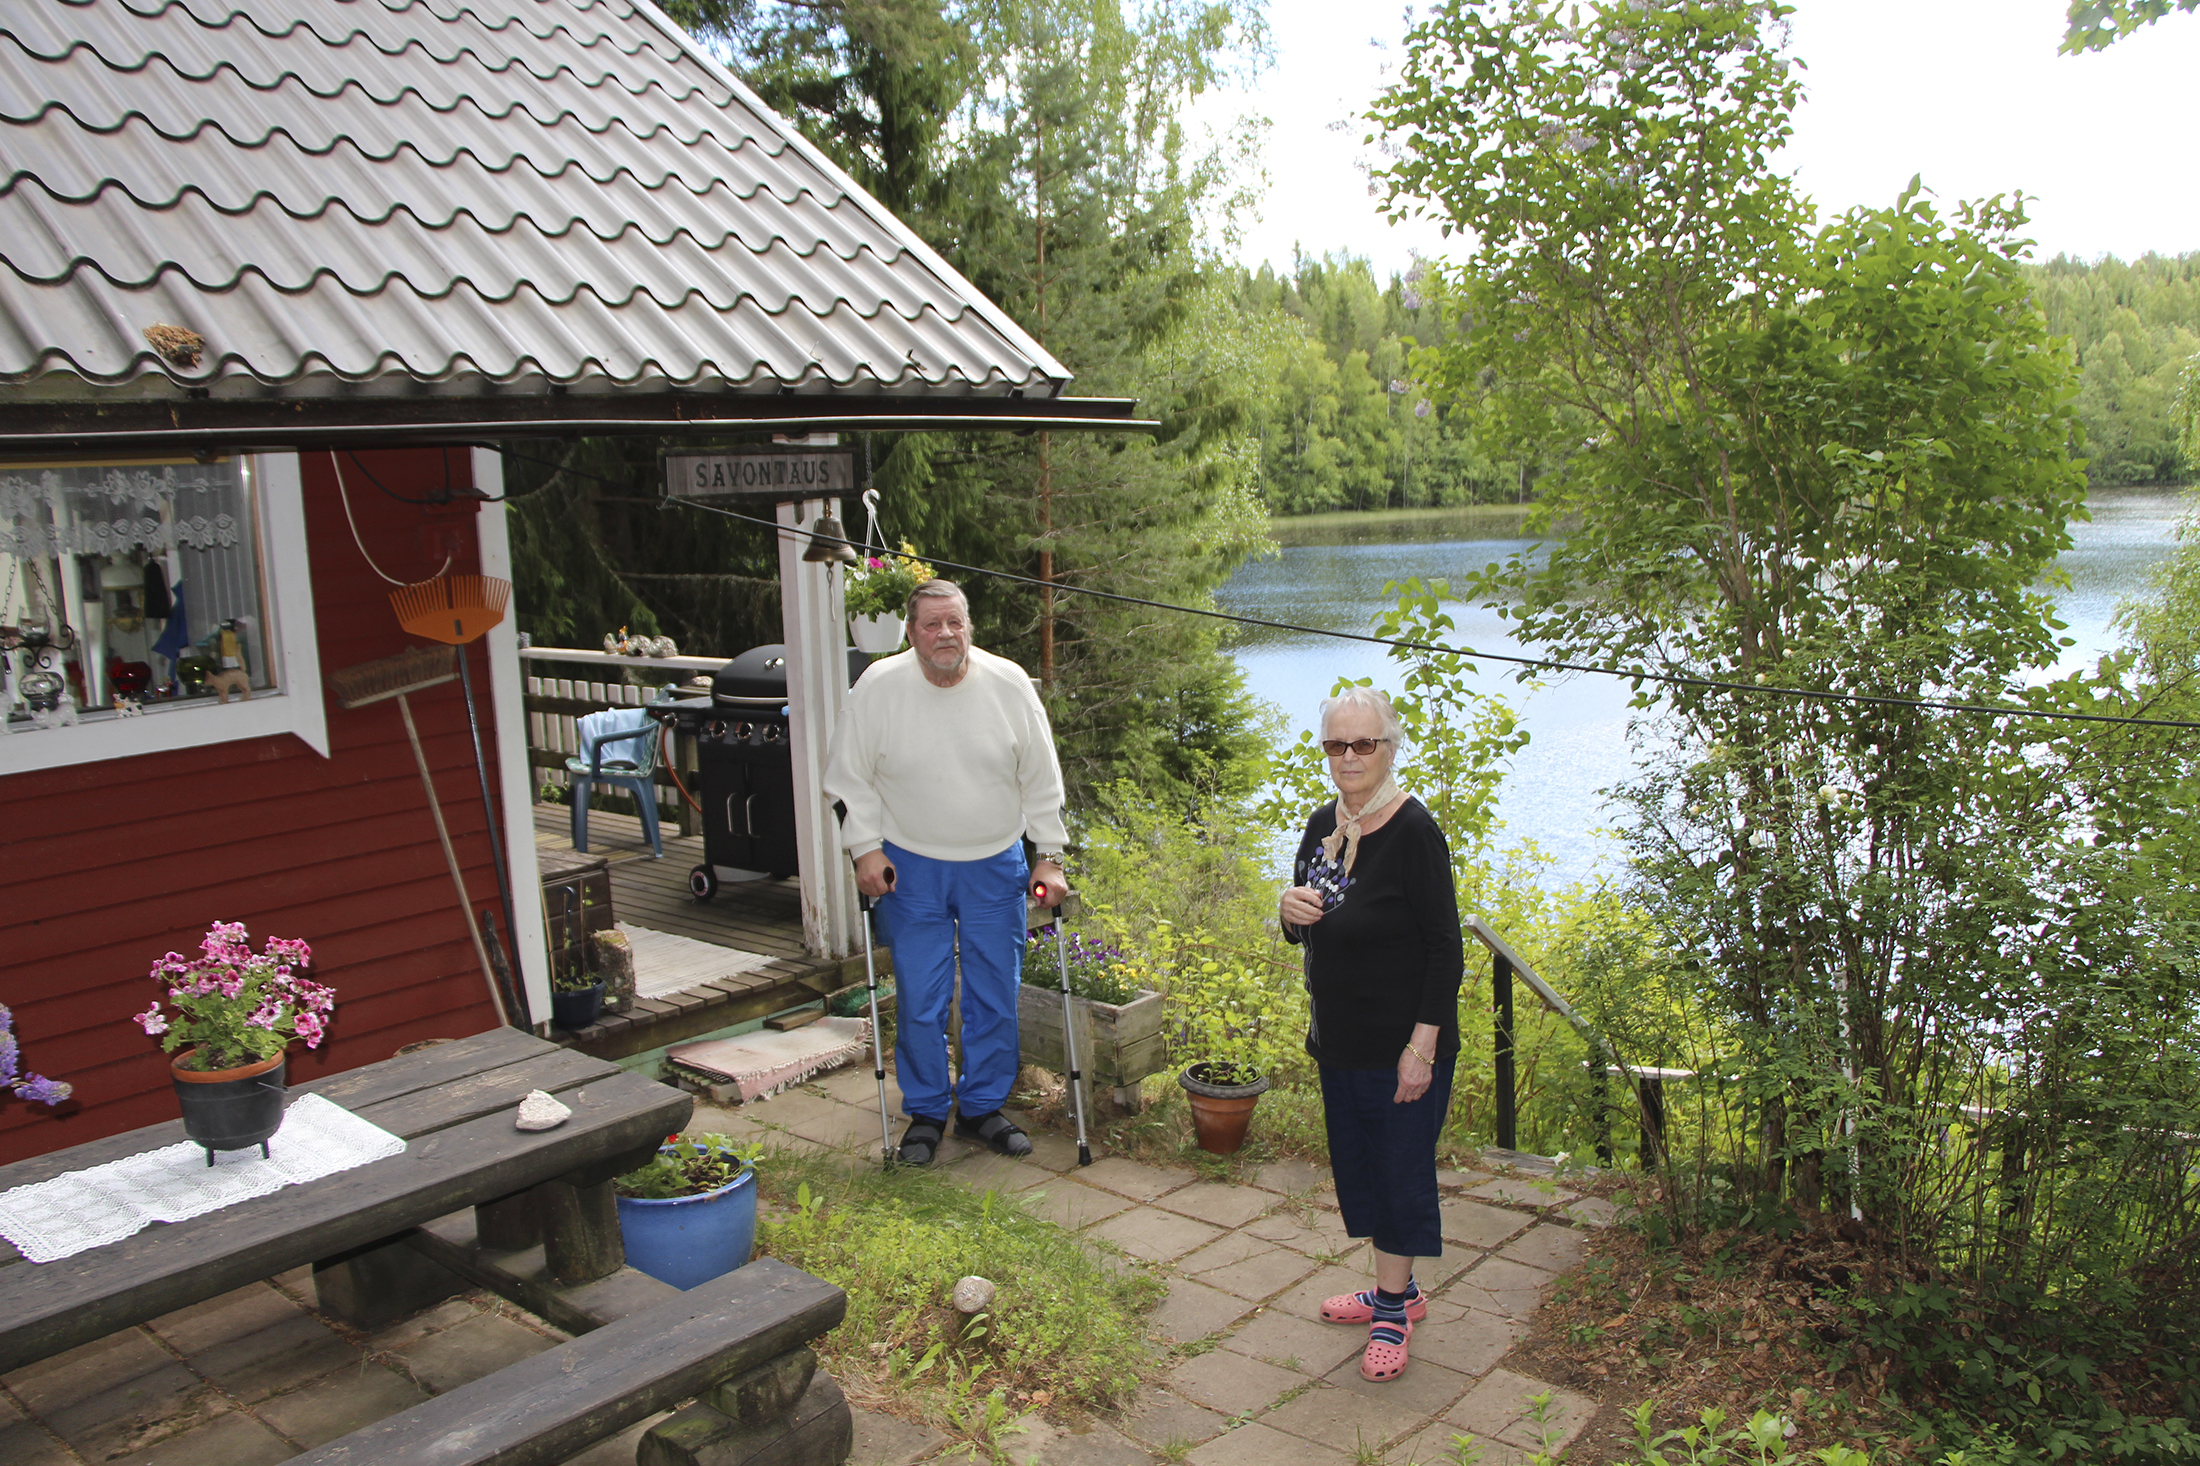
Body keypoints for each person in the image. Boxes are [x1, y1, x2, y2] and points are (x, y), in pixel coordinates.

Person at [824, 579, 1070, 1165]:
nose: (945, 634)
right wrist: (864, 848)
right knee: (920, 997)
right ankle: (929, 1111)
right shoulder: (878, 687)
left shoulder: (1008, 685)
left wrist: (1050, 855)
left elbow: (1041, 778)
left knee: (994, 994)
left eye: (954, 622)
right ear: (911, 633)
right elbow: (846, 777)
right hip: (910, 867)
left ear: (969, 628)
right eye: (932, 624)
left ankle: (982, 1108)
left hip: (994, 863)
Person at [1278, 685, 1462, 1383]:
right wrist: (1289, 910)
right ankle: (1399, 1288)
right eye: (1335, 744)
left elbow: (1446, 950)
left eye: (1363, 744)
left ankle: (1392, 1308)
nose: (1348, 757)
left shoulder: (1413, 831)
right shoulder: (1324, 823)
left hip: (1402, 1045)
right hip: (1343, 1040)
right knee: (1362, 1167)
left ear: (1389, 748)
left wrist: (1423, 1046)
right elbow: (1306, 917)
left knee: (1400, 1172)